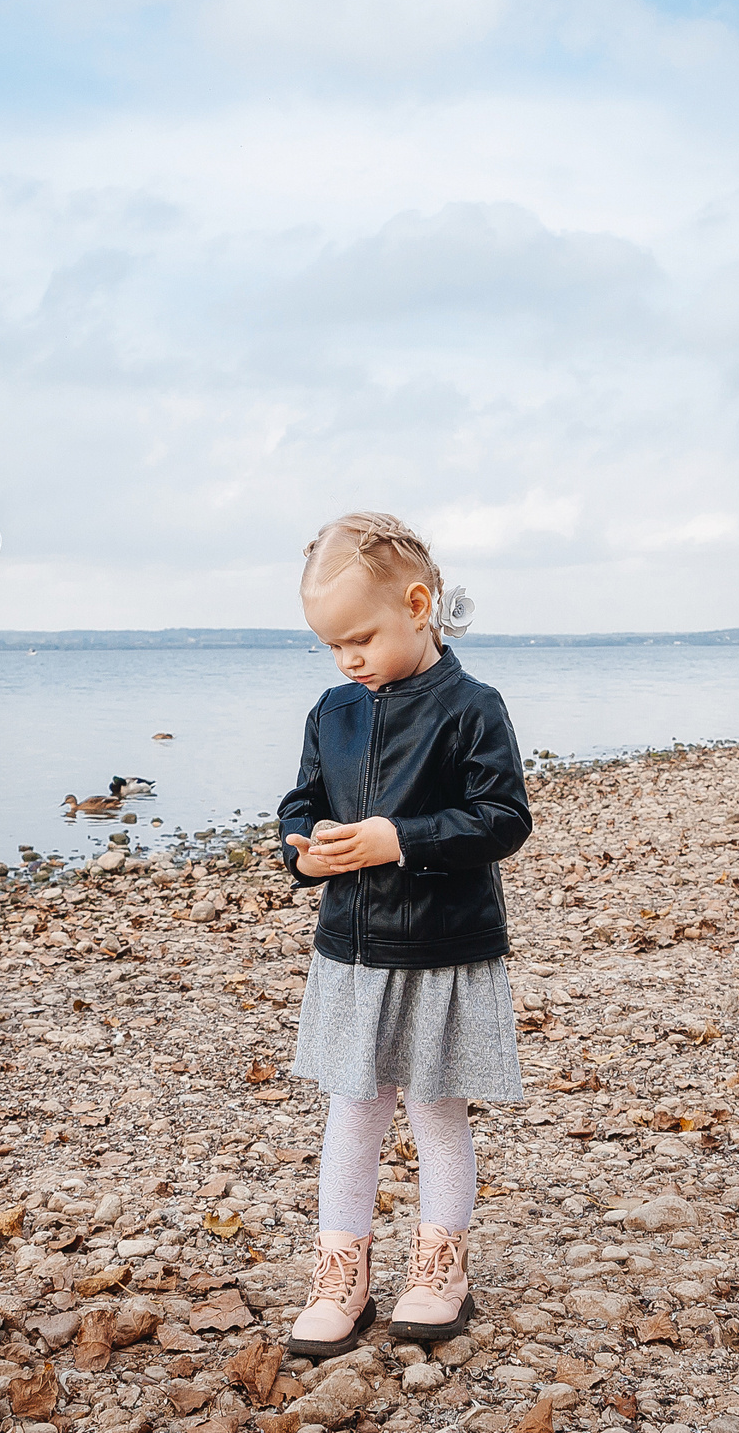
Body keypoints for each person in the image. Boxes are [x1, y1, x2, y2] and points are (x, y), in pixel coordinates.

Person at [275, 513, 528, 1356]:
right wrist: (303, 846)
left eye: (360, 638)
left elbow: (502, 819)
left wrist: (402, 839)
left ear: (418, 607)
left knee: (435, 1109)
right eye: (331, 645)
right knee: (353, 1111)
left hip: (442, 948)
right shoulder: (333, 711)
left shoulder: (471, 707)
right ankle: (340, 1274)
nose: (346, 659)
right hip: (353, 950)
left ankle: (440, 1269)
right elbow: (302, 802)